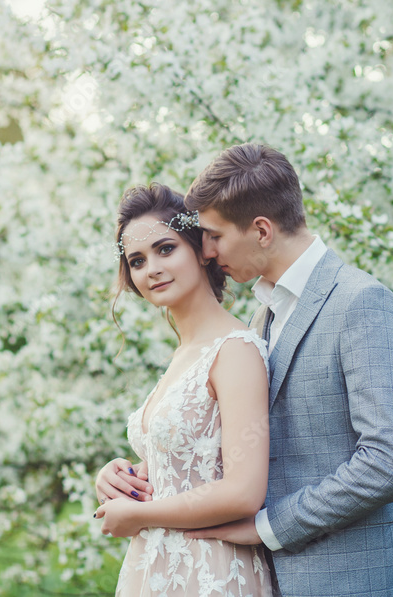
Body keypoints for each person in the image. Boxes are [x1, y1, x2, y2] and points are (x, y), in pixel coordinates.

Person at [98, 144, 393, 597]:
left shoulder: (360, 302)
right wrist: (137, 475)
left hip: (358, 580)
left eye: (213, 236)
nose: (208, 250)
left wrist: (267, 526)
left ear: (260, 229)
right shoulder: (262, 320)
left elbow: (390, 463)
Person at [93, 183, 274, 596]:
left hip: (211, 572)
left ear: (199, 248)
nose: (151, 268)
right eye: (137, 260)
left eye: (165, 249)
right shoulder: (184, 355)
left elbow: (244, 492)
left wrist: (141, 517)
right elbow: (185, 468)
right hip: (155, 569)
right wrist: (122, 478)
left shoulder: (235, 349)